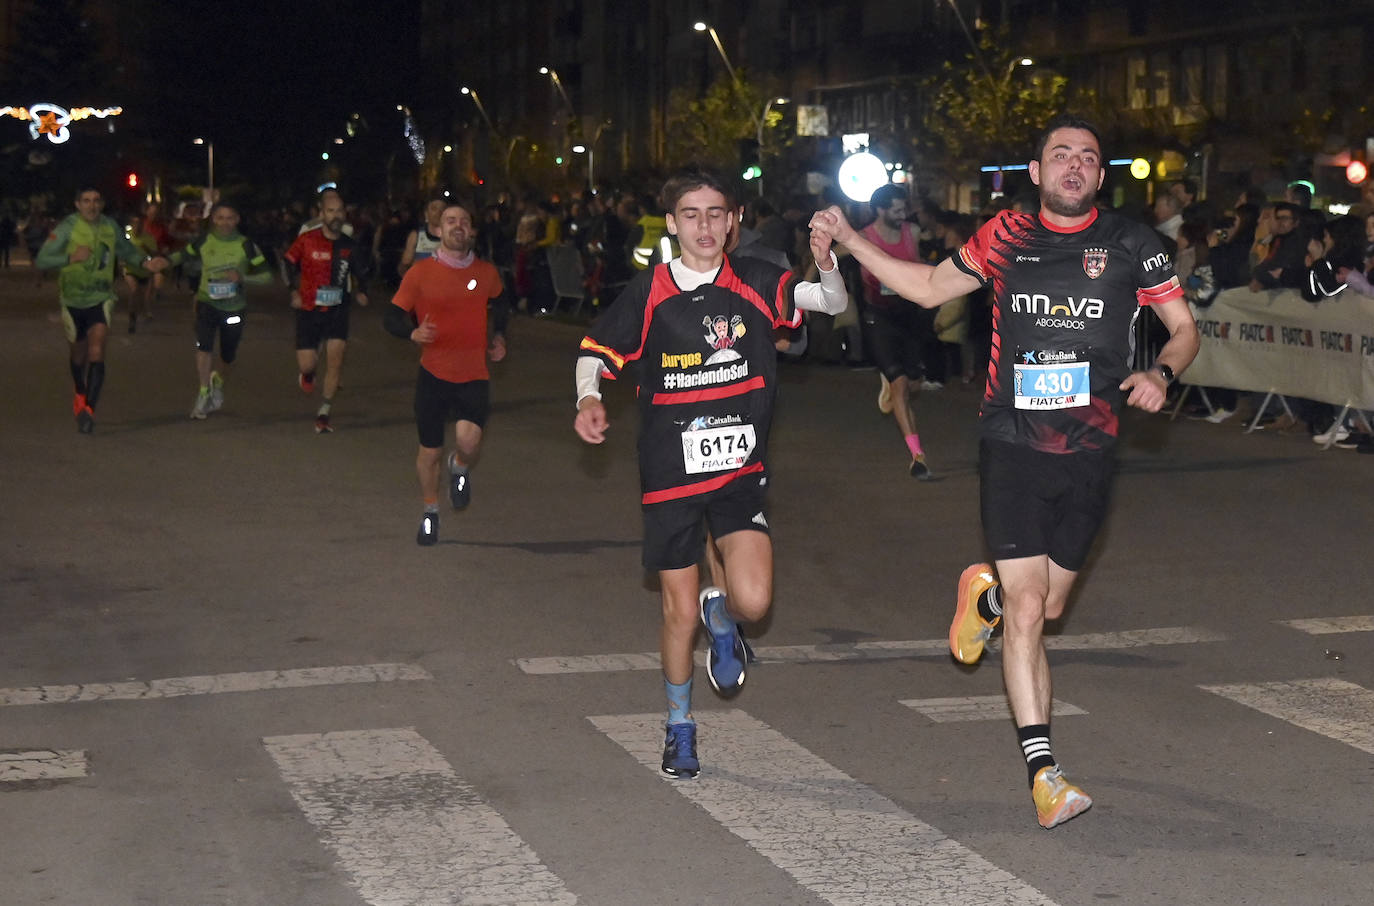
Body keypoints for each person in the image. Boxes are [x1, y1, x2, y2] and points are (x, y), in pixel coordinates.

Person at [812, 114, 1200, 829]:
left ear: (1101, 175)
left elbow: (1184, 329)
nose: (1075, 167)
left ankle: (983, 594)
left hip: (1091, 448)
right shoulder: (1004, 237)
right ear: (1037, 171)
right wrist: (851, 239)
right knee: (1032, 614)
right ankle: (1044, 774)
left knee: (1047, 606)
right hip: (1013, 443)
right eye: (1062, 156)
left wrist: (1162, 373)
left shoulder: (1132, 244)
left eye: (1088, 157)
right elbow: (929, 287)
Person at [573, 168, 847, 779]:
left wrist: (824, 262)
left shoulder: (756, 279)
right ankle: (679, 726)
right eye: (691, 215)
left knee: (754, 599)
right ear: (672, 223)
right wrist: (588, 399)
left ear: (734, 220)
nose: (705, 225)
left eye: (716, 213)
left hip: (738, 471)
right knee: (678, 612)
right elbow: (594, 353)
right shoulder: (650, 292)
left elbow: (829, 302)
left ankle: (722, 611)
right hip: (670, 474)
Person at [385, 203, 511, 545]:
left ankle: (460, 466)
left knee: (469, 443)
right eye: (450, 221)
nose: (458, 226)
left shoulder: (486, 272)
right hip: (434, 375)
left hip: (474, 373)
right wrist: (411, 333)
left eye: (465, 221)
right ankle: (430, 512)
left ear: (471, 231)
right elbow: (393, 316)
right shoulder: (421, 273)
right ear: (437, 230)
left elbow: (501, 302)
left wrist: (498, 335)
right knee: (430, 452)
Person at [35, 187, 169, 432]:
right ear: (77, 204)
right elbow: (42, 260)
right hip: (73, 298)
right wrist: (70, 258)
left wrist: (145, 262)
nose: (92, 205)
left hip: (101, 296)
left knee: (97, 350)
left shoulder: (110, 226)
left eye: (96, 200)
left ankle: (89, 411)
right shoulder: (67, 227)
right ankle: (79, 391)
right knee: (79, 355)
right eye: (86, 201)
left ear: (102, 203)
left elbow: (127, 250)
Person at [857, 184, 937, 478]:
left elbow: (917, 268)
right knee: (900, 385)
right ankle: (917, 455)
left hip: (909, 316)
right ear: (880, 209)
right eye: (897, 208)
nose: (903, 213)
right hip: (878, 317)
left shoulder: (911, 233)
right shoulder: (864, 237)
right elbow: (834, 254)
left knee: (914, 385)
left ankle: (890, 383)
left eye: (905, 208)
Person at [166, 202, 273, 419]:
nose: (225, 222)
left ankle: (218, 380)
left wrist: (243, 277)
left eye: (230, 218)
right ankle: (204, 391)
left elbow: (267, 276)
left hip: (234, 308)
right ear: (213, 219)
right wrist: (164, 261)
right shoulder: (204, 239)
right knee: (204, 346)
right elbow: (183, 255)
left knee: (228, 355)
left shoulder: (247, 245)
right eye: (220, 217)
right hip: (207, 303)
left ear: (237, 220)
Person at [283, 189, 371, 433]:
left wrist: (363, 291)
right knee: (308, 363)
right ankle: (308, 374)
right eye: (330, 211)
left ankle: (324, 412)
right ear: (321, 214)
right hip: (309, 310)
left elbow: (361, 270)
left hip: (338, 311)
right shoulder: (307, 239)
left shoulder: (349, 245)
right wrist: (294, 291)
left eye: (339, 211)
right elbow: (288, 262)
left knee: (335, 362)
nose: (336, 215)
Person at [398, 197, 445, 277]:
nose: (438, 213)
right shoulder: (416, 235)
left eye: (442, 209)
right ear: (426, 214)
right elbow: (404, 266)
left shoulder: (453, 238)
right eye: (434, 209)